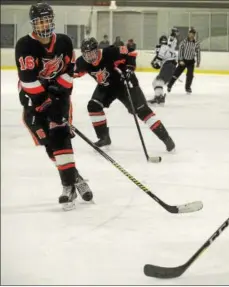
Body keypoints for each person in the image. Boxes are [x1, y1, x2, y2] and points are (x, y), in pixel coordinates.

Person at [15, 2, 93, 210]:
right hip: (34, 100)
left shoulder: (64, 42)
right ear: (33, 24)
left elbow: (70, 71)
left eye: (46, 20)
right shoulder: (25, 45)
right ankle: (76, 177)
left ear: (52, 20)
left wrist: (58, 94)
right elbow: (28, 80)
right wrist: (45, 101)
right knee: (49, 144)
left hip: (59, 97)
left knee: (59, 136)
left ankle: (67, 187)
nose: (43, 24)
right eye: (39, 21)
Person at [73, 38, 175, 152]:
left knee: (142, 111)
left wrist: (129, 69)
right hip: (106, 87)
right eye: (87, 55)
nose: (90, 57)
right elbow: (72, 74)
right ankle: (104, 137)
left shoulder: (110, 52)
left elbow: (131, 52)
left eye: (92, 53)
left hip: (125, 83)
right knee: (93, 106)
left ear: (97, 50)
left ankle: (166, 138)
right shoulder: (82, 62)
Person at [166, 28, 201, 94]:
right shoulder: (184, 42)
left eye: (193, 34)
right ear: (188, 34)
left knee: (190, 75)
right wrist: (180, 60)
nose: (191, 35)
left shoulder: (196, 43)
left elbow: (198, 52)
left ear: (194, 35)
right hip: (183, 60)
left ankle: (187, 88)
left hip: (191, 61)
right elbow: (180, 51)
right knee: (176, 73)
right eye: (190, 33)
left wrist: (198, 62)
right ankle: (169, 85)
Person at [148, 35, 177, 105]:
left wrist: (154, 62)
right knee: (155, 82)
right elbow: (174, 58)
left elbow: (159, 57)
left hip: (168, 66)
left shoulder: (163, 47)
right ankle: (159, 97)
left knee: (158, 81)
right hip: (170, 66)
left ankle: (159, 98)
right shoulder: (169, 48)